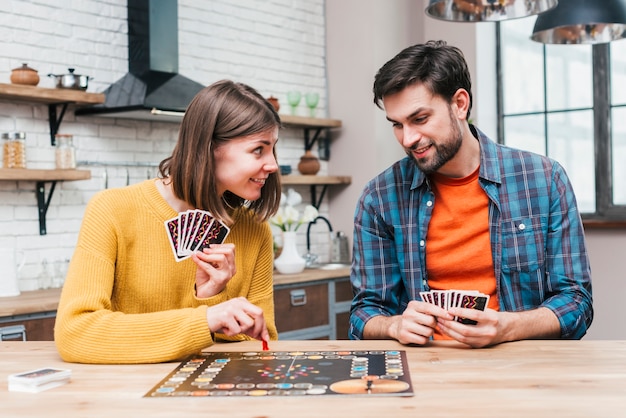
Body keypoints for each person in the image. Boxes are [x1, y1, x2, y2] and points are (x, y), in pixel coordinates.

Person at [349, 40, 593, 348]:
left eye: (420, 119)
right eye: (397, 125)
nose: (408, 138)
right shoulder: (378, 198)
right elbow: (363, 313)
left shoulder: (545, 180)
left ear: (460, 104)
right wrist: (394, 325)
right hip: (425, 370)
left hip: (523, 370)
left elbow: (577, 303)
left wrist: (508, 327)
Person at [55, 79, 282, 364]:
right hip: (127, 398)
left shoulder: (254, 230)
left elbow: (263, 342)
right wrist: (206, 318)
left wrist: (209, 296)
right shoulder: (112, 210)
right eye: (258, 150)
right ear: (210, 146)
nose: (273, 164)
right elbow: (75, 333)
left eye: (273, 148)